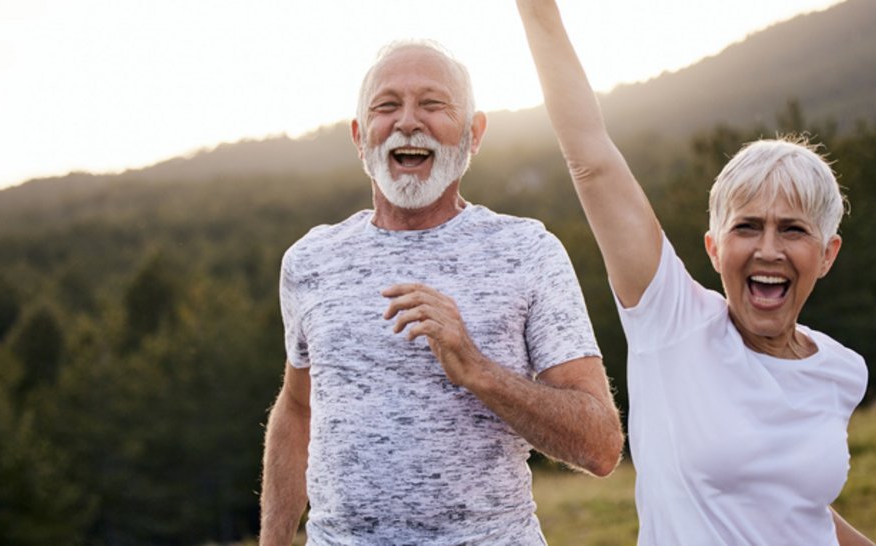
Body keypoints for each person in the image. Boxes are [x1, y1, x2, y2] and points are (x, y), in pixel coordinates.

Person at [508, 0, 875, 546]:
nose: (768, 249)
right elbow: (592, 162)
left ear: (827, 253)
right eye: (747, 227)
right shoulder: (672, 325)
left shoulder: (842, 370)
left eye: (792, 230)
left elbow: (795, 507)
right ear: (713, 247)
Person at [259, 39, 623, 546]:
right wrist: (273, 540)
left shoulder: (527, 251)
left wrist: (476, 369)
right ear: (360, 137)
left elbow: (600, 446)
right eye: (387, 106)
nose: (408, 122)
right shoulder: (309, 261)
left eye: (433, 104)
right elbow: (299, 408)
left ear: (474, 134)